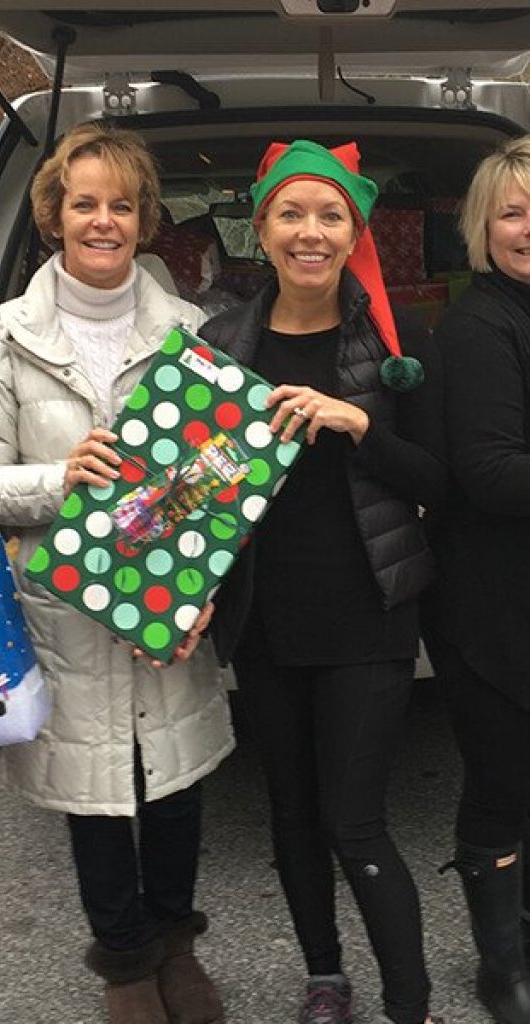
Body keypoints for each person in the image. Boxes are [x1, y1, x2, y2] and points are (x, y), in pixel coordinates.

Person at [0, 121, 234, 1024]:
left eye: (121, 204)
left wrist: (193, 578)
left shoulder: (192, 333)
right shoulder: (3, 340)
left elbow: (216, 474)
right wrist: (59, 481)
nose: (103, 220)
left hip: (169, 599)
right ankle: (124, 964)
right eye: (85, 203)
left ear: (145, 218)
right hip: (63, 607)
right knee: (96, 792)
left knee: (174, 781)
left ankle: (176, 945)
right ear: (54, 216)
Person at [196, 139, 448, 1024]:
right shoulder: (220, 340)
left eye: (330, 214)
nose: (311, 232)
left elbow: (438, 479)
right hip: (266, 619)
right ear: (259, 228)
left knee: (354, 820)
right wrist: (179, 599)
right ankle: (325, 980)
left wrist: (356, 425)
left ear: (355, 230)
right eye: (291, 214)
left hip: (369, 614)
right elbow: (192, 494)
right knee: (292, 814)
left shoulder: (392, 340)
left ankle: (409, 1002)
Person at [422, 135, 530, 1024]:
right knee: (501, 782)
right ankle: (501, 966)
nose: (529, 229)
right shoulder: (478, 327)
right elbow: (491, 473)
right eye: (513, 211)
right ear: (482, 227)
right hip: (492, 609)